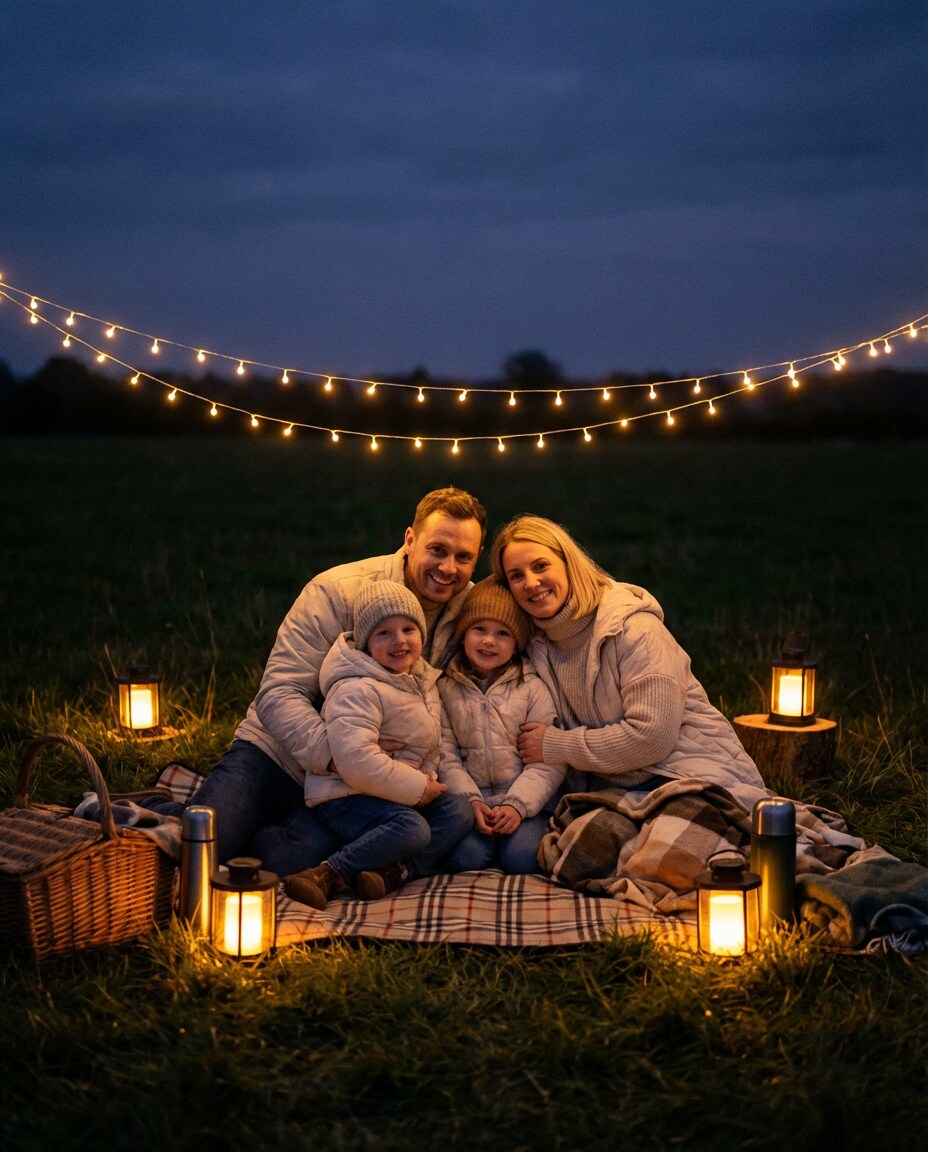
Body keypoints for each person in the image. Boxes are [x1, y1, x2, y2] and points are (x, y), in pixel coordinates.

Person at [146, 487, 486, 874]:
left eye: (464, 558)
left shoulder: (471, 612)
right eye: (437, 550)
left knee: (277, 861)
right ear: (410, 540)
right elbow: (279, 692)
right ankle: (159, 809)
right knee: (205, 843)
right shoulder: (337, 591)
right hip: (282, 753)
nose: (448, 568)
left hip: (373, 782)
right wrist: (341, 755)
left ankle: (283, 824)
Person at [489, 515, 766, 810]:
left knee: (661, 852)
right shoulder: (535, 643)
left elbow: (652, 738)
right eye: (516, 576)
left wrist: (557, 745)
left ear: (568, 563)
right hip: (612, 787)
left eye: (541, 566)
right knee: (577, 850)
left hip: (686, 774)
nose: (531, 583)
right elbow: (479, 609)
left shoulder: (633, 629)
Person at [283, 580, 474, 909]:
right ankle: (328, 874)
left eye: (407, 629)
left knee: (458, 811)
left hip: (396, 792)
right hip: (347, 795)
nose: (399, 640)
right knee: (413, 829)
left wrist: (435, 784)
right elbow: (356, 762)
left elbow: (434, 743)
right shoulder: (357, 688)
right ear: (366, 644)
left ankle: (394, 872)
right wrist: (417, 787)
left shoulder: (420, 680)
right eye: (383, 633)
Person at [438, 576, 565, 874]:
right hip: (473, 802)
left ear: (517, 642)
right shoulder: (445, 688)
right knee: (463, 859)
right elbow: (444, 754)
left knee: (521, 859)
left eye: (503, 633)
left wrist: (517, 805)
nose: (488, 641)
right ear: (463, 634)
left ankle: (516, 836)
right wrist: (469, 800)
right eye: (479, 629)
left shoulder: (533, 688)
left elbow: (548, 762)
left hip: (524, 802)